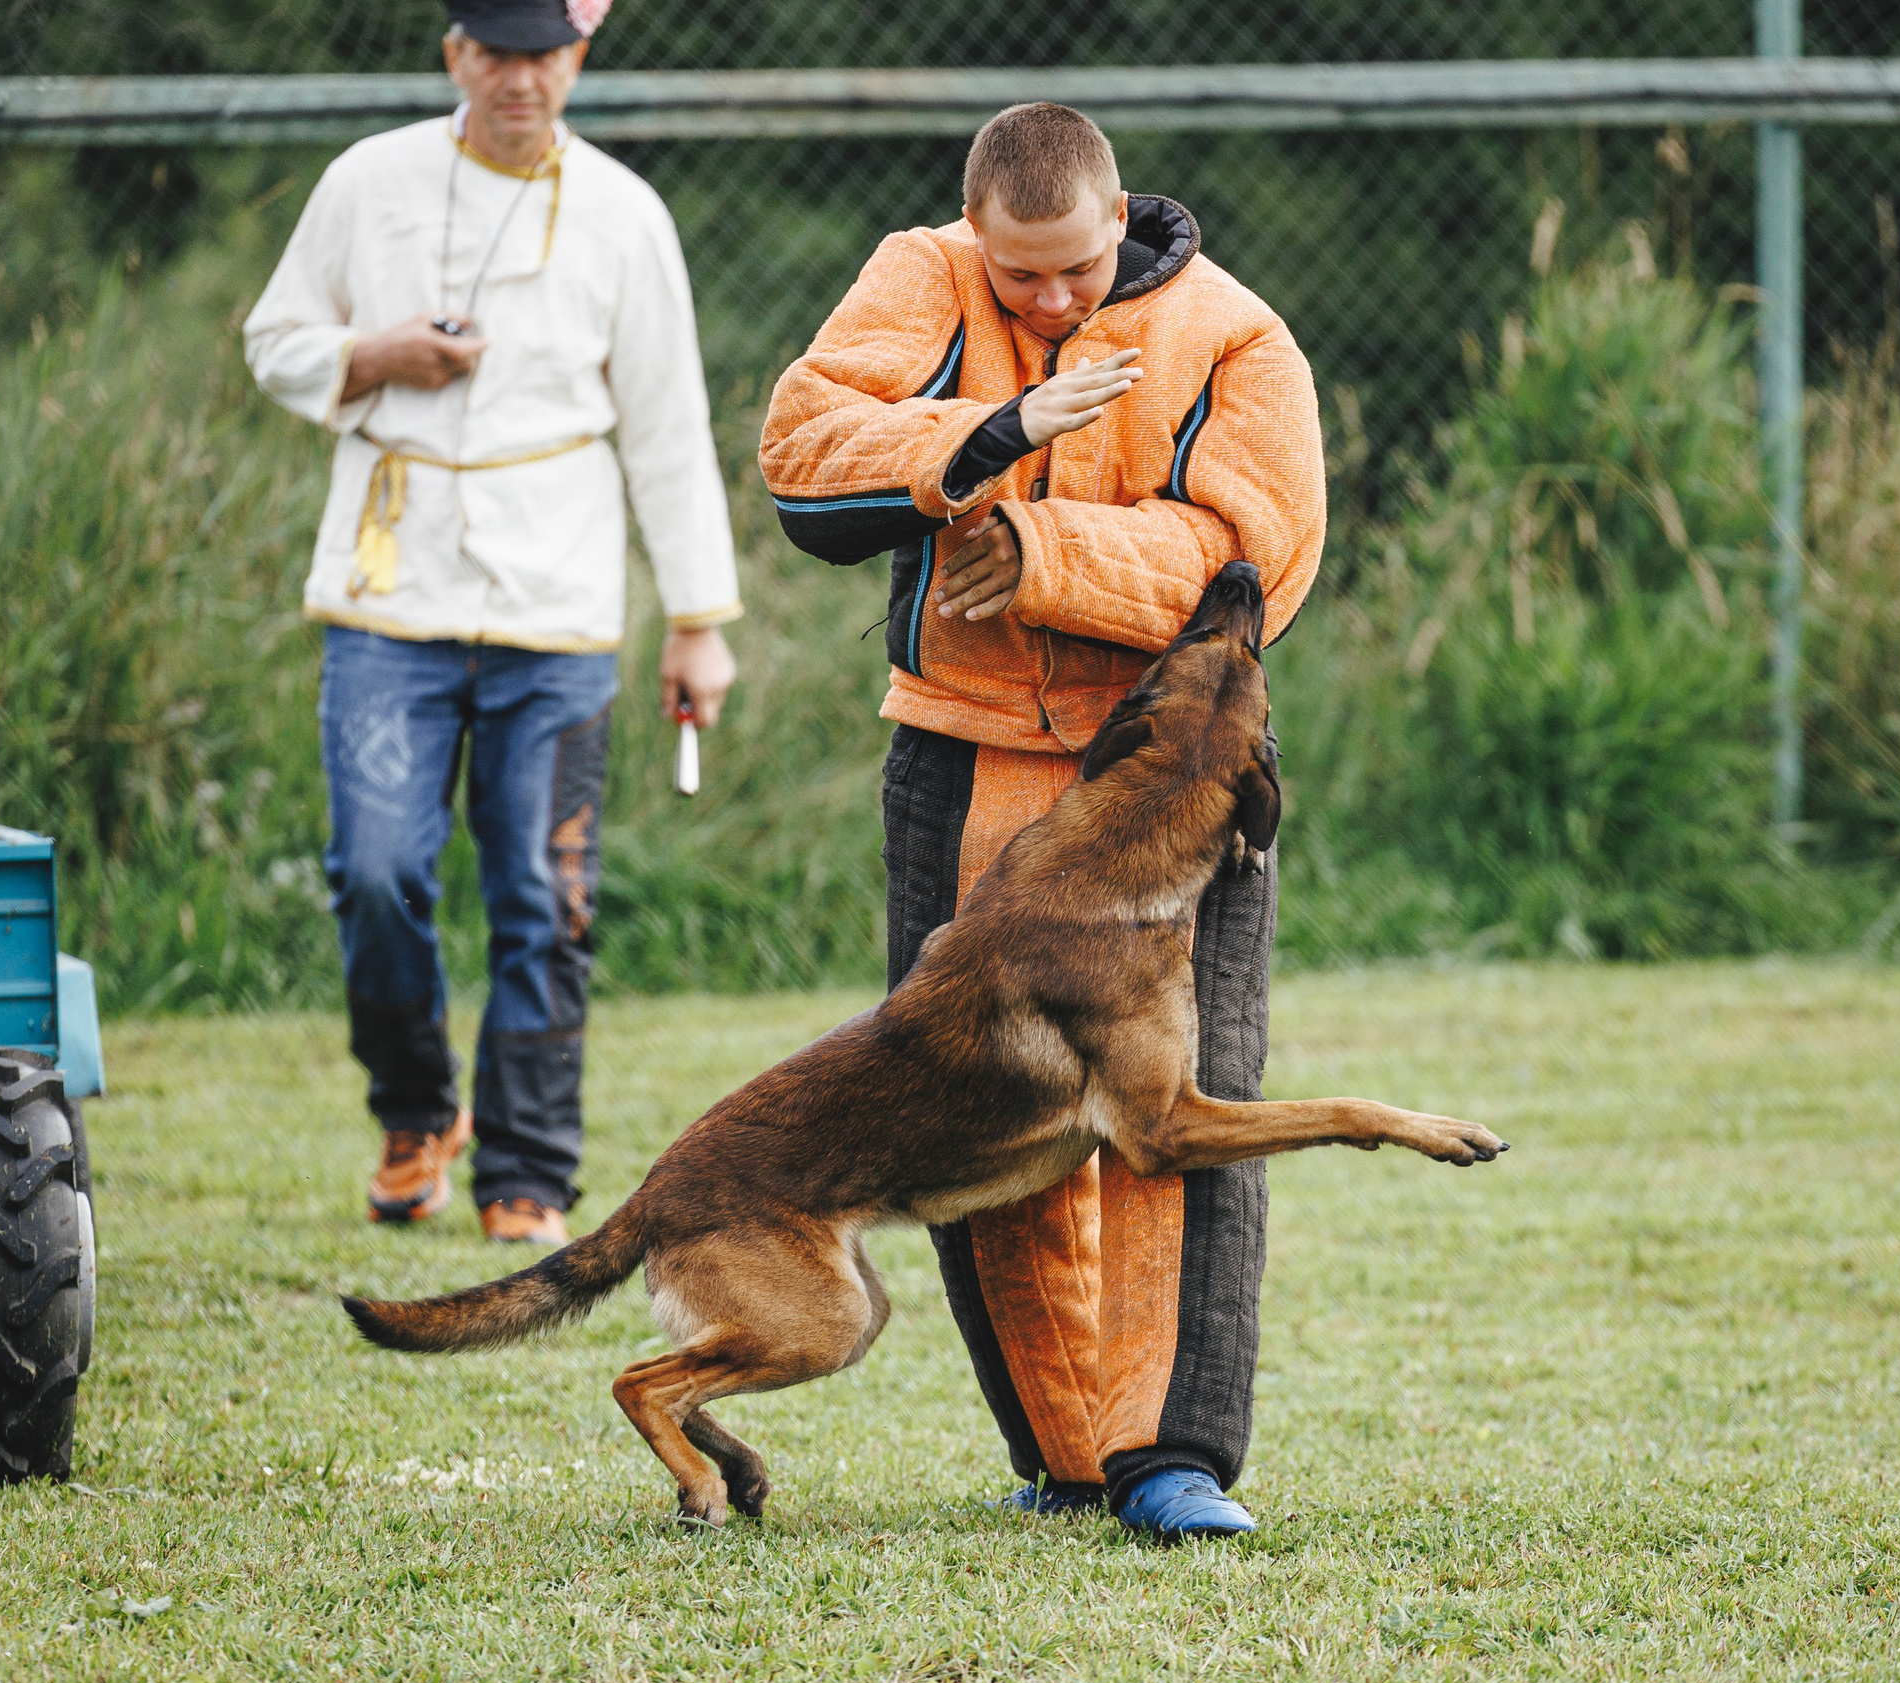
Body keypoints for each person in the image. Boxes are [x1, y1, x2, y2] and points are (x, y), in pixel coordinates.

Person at [759, 102, 1324, 1539]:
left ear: (1120, 210)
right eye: (1020, 279)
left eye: (1076, 270)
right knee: (973, 1112)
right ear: (975, 236)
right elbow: (803, 450)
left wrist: (1048, 547)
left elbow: (1255, 557)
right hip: (964, 758)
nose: (1052, 298)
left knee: (1183, 1111)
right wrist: (991, 433)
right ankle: (1069, 1449)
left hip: (1172, 781)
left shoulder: (1236, 335)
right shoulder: (920, 275)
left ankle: (1171, 1457)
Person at [244, 0, 739, 1247]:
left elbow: (670, 425)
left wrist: (697, 619)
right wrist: (374, 354)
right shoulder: (371, 180)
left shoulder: (628, 213)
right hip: (388, 587)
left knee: (544, 889)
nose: (521, 77)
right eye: (495, 50)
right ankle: (417, 1111)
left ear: (578, 56)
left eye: (545, 52)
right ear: (455, 52)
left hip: (558, 604)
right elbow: (274, 341)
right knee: (375, 872)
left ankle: (527, 1170)